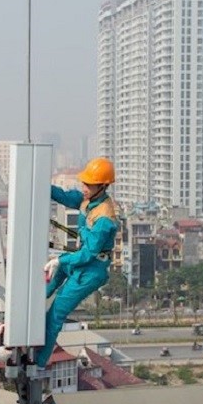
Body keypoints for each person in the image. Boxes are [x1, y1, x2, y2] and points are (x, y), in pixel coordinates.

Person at [36, 157, 118, 368]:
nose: (83, 187)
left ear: (102, 186)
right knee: (42, 290)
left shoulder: (104, 219)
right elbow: (64, 196)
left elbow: (90, 254)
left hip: (91, 270)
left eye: (88, 184)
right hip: (79, 260)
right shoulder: (88, 200)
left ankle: (37, 362)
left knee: (55, 315)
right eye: (84, 183)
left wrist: (60, 260)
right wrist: (38, 182)